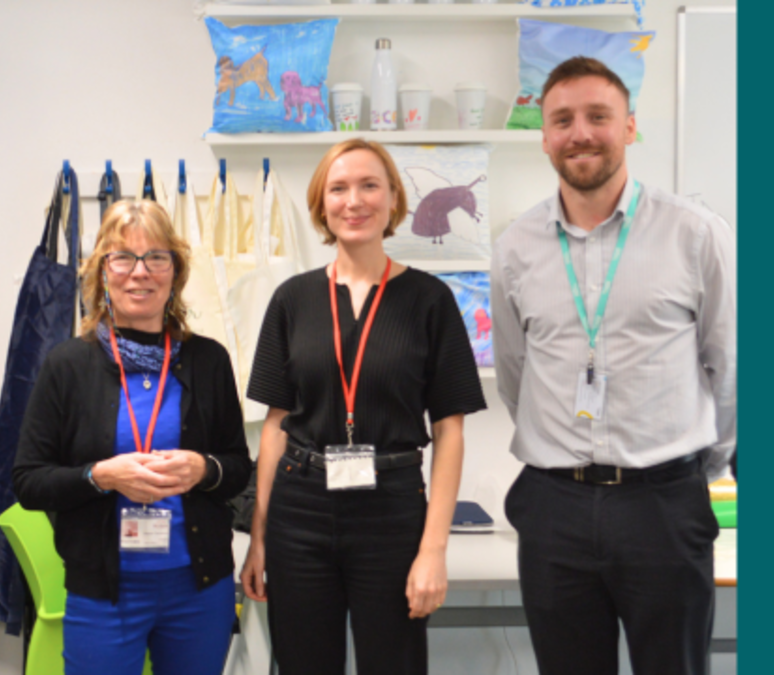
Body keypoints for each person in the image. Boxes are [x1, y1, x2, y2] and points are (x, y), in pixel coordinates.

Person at [491, 56, 736, 675]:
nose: (580, 133)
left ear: (629, 127)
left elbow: (728, 365)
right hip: (554, 507)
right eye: (562, 119)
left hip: (663, 502)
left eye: (598, 116)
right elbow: (516, 374)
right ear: (543, 136)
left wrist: (694, 468)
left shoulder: (696, 234)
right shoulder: (516, 247)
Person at [240, 139, 487, 675]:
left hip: (392, 511)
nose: (355, 200)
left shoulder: (430, 300)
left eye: (370, 185)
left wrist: (434, 550)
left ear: (394, 198)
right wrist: (258, 539)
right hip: (299, 510)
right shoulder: (292, 300)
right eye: (339, 188)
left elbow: (449, 432)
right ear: (322, 204)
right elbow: (275, 425)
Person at [13, 199, 252, 675]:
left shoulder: (209, 360)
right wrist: (100, 476)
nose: (140, 272)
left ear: (174, 273)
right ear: (103, 271)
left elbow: (238, 469)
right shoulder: (68, 365)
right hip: (104, 593)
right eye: (123, 257)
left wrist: (204, 469)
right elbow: (28, 481)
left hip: (199, 589)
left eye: (156, 257)